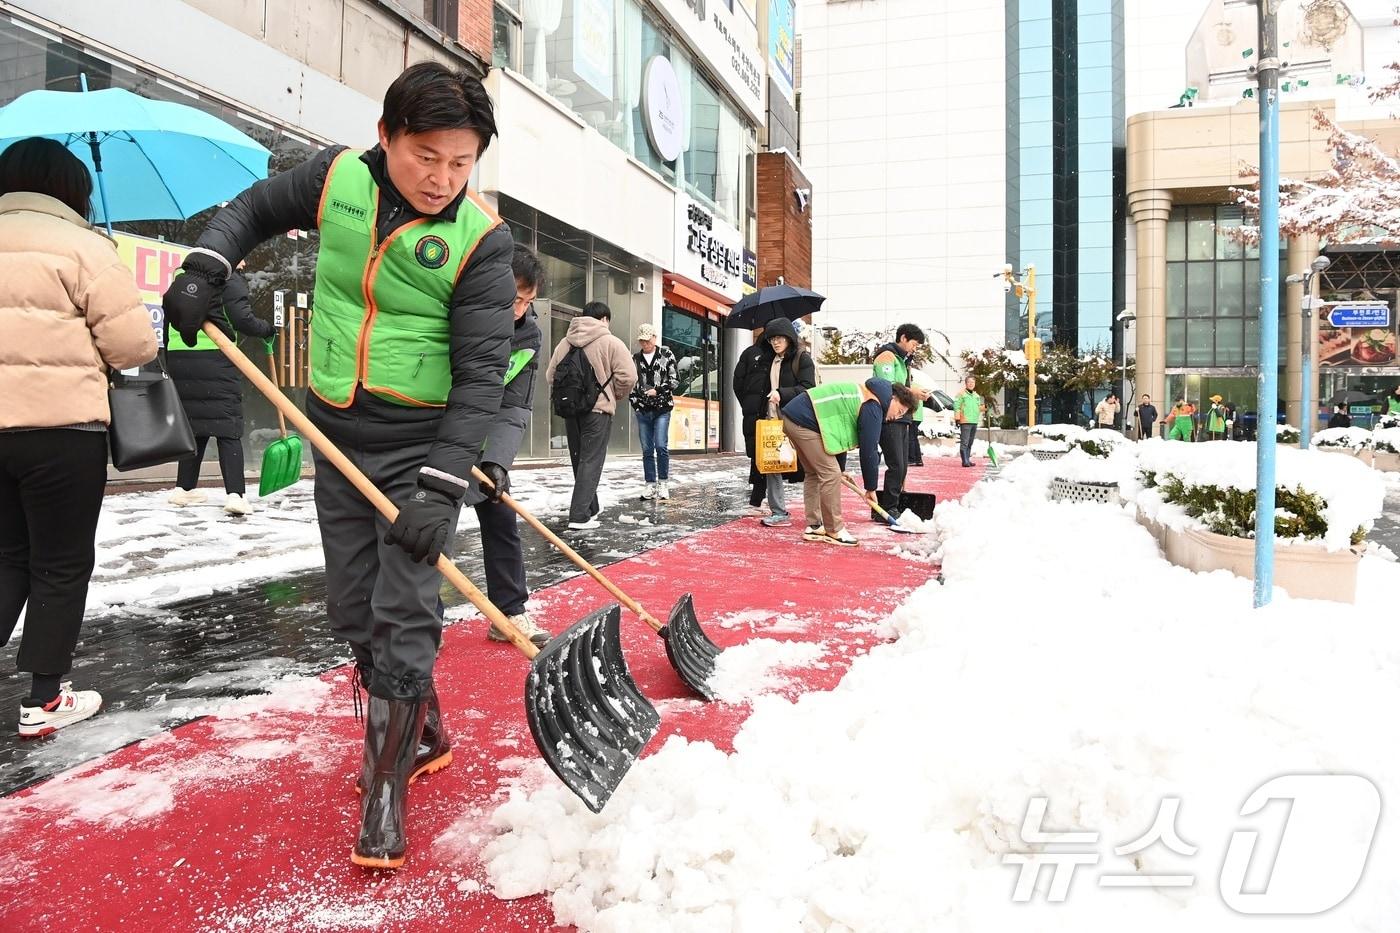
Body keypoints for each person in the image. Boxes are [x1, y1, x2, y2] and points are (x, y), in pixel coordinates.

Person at [160, 62, 515, 870]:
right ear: (386, 136)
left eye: (462, 163)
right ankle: (422, 723)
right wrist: (208, 265)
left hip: (421, 442)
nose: (443, 179)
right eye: (428, 156)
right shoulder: (335, 178)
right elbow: (251, 208)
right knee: (354, 607)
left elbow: (482, 377)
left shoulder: (483, 245)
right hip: (337, 428)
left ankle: (385, 781)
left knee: (404, 604)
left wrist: (444, 483)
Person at [0, 138, 157, 736]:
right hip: (62, 433)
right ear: (71, 192)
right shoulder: (85, 249)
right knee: (60, 565)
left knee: (7, 557)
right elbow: (135, 346)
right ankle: (43, 700)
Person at [474, 245, 550, 648]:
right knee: (435, 526)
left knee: (501, 519)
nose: (520, 309)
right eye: (514, 299)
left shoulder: (528, 335)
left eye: (528, 301)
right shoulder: (459, 316)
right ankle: (422, 619)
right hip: (436, 435)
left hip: (486, 438)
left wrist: (496, 462)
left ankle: (510, 612)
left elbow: (515, 404)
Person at [166, 264, 274, 515]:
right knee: (227, 427)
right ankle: (235, 495)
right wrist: (267, 329)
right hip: (217, 357)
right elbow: (242, 319)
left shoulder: (181, 280)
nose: (245, 263)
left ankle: (183, 489)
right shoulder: (227, 279)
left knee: (196, 424)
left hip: (181, 358)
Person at [779, 378, 917, 546]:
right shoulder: (873, 406)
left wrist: (841, 468)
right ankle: (834, 530)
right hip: (804, 421)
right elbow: (869, 450)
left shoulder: (868, 396)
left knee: (815, 473)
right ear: (893, 398)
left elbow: (839, 436)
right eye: (900, 410)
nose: (897, 417)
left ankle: (815, 525)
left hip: (794, 417)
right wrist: (870, 488)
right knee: (830, 474)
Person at [545, 301, 635, 530]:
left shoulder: (565, 342)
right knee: (591, 460)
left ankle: (591, 507)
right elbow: (629, 376)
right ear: (604, 319)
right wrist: (614, 394)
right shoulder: (611, 342)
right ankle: (579, 515)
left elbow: (551, 375)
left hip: (571, 409)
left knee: (580, 459)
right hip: (598, 410)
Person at [757, 317, 817, 527]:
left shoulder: (802, 358)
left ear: (789, 338)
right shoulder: (769, 360)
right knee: (772, 465)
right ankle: (778, 511)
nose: (775, 342)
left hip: (797, 421)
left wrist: (782, 393)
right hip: (772, 419)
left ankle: (816, 516)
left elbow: (808, 388)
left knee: (810, 465)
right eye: (772, 338)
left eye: (780, 337)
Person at [871, 324, 930, 520]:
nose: (915, 348)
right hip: (890, 417)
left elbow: (903, 385)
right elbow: (886, 385)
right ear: (903, 338)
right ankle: (887, 508)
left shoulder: (903, 360)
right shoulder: (887, 356)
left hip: (902, 416)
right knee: (896, 464)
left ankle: (893, 502)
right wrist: (911, 392)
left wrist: (915, 390)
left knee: (903, 465)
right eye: (914, 343)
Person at [628, 323, 678, 501]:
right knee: (647, 449)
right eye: (642, 341)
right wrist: (635, 403)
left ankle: (663, 483)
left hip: (662, 408)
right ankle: (650, 484)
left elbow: (675, 380)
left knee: (661, 446)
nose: (645, 344)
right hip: (642, 409)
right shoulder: (635, 358)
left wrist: (659, 390)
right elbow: (631, 382)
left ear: (654, 339)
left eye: (647, 341)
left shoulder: (666, 355)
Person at [953, 375, 985, 467]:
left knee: (970, 442)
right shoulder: (961, 394)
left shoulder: (976, 396)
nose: (971, 384)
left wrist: (985, 408)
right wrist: (957, 419)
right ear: (966, 383)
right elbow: (956, 407)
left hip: (974, 421)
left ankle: (968, 459)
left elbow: (978, 408)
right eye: (969, 382)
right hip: (965, 421)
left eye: (973, 382)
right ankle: (964, 461)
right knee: (965, 442)